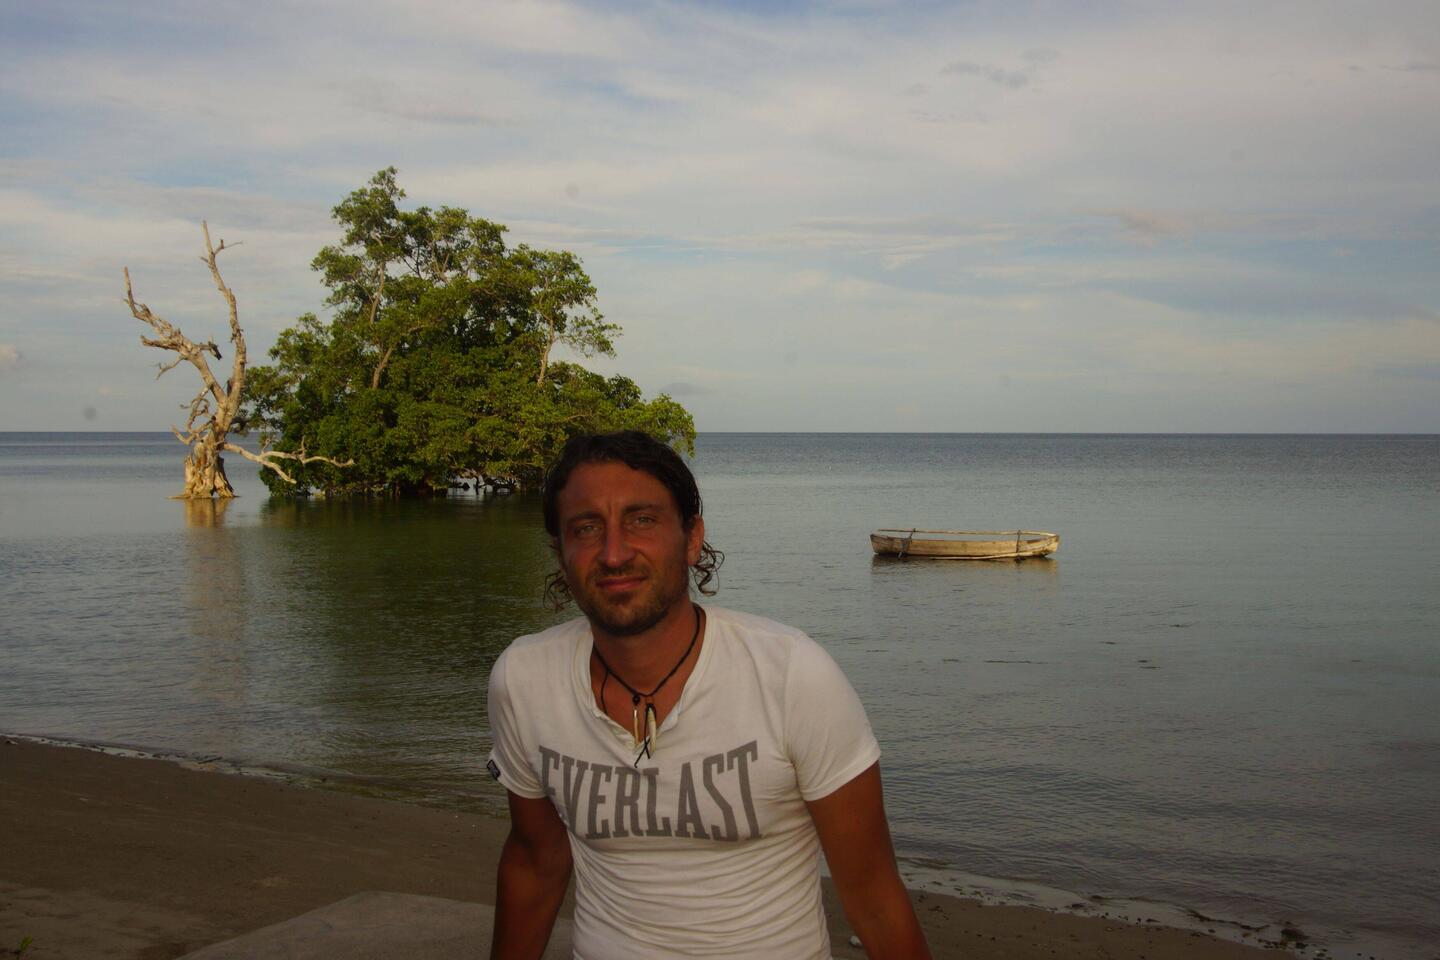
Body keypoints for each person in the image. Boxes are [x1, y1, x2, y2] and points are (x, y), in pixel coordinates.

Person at [486, 431, 931, 960]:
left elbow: (874, 897)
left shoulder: (792, 676)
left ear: (692, 539)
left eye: (641, 520)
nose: (614, 553)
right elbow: (536, 862)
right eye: (586, 528)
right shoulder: (525, 680)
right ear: (561, 555)